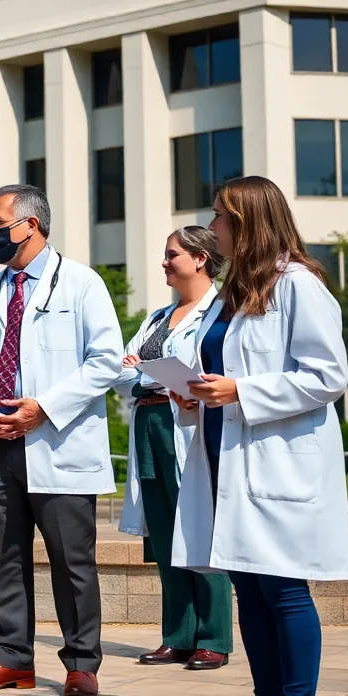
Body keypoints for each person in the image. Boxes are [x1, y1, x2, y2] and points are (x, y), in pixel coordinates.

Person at [172, 176, 348, 696]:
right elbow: (228, 365)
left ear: (248, 222)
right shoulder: (234, 292)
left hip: (274, 458)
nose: (213, 228)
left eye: (221, 218)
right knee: (248, 588)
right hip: (225, 449)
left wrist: (241, 392)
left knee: (282, 590)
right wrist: (199, 394)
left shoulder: (298, 285)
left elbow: (328, 375)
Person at [0, 184, 121, 696]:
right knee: (0, 557)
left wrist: (43, 408)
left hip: (56, 440)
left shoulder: (81, 284)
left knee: (72, 560)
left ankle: (80, 663)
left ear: (31, 224)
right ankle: (11, 658)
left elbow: (107, 360)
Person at [115, 227, 233, 670]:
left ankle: (214, 638)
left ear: (200, 258)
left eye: (172, 255)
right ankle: (178, 635)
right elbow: (120, 373)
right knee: (164, 533)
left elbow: (205, 372)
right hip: (149, 424)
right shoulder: (157, 318)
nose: (164, 263)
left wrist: (146, 374)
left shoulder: (220, 313)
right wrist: (155, 378)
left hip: (191, 427)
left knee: (200, 530)